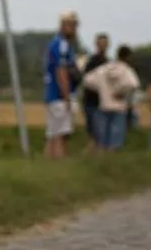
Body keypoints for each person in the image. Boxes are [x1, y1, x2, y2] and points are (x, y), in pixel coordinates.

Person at [81, 45, 140, 151]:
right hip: (119, 106)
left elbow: (87, 80)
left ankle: (103, 155)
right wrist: (121, 92)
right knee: (116, 137)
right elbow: (133, 84)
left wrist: (100, 89)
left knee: (102, 137)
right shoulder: (127, 70)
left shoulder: (104, 68)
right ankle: (113, 155)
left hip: (104, 105)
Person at [43, 10, 81, 158]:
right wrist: (66, 96)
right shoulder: (62, 45)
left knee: (52, 134)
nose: (75, 29)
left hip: (52, 95)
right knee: (61, 135)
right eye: (73, 25)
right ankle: (60, 160)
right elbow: (61, 71)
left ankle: (48, 163)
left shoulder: (54, 43)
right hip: (59, 96)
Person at [80, 33, 110, 152]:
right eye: (100, 43)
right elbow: (86, 79)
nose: (103, 45)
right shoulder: (92, 61)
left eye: (105, 43)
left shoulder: (108, 62)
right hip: (91, 100)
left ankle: (97, 151)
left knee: (100, 131)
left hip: (103, 101)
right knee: (94, 130)